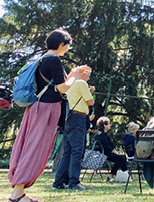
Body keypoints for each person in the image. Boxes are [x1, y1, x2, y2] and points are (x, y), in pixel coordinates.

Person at [9, 29, 90, 202]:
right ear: (62, 44)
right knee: (35, 148)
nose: (68, 49)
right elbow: (62, 88)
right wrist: (75, 76)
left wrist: (73, 75)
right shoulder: (53, 60)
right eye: (67, 46)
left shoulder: (42, 59)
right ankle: (17, 193)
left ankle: (19, 191)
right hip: (46, 110)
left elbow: (56, 85)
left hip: (36, 108)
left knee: (27, 145)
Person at [52, 55, 95, 192]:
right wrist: (89, 94)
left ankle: (58, 182)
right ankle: (74, 182)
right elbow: (90, 102)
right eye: (88, 74)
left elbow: (75, 97)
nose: (89, 77)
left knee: (67, 152)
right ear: (83, 74)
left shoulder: (69, 84)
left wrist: (87, 92)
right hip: (79, 118)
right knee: (77, 151)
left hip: (69, 119)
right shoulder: (82, 83)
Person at [93, 117, 128, 182]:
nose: (110, 125)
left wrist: (115, 151)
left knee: (122, 157)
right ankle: (111, 175)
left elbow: (110, 146)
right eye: (109, 124)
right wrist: (114, 152)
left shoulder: (104, 134)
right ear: (104, 125)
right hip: (103, 154)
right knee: (120, 158)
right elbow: (106, 147)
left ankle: (125, 175)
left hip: (107, 152)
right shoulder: (101, 135)